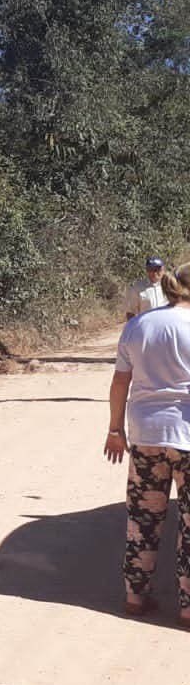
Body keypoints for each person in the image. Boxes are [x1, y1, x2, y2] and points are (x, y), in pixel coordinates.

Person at [106, 260, 190, 623]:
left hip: (145, 436)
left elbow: (120, 383)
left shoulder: (138, 326)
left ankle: (134, 599)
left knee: (142, 520)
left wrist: (114, 431)